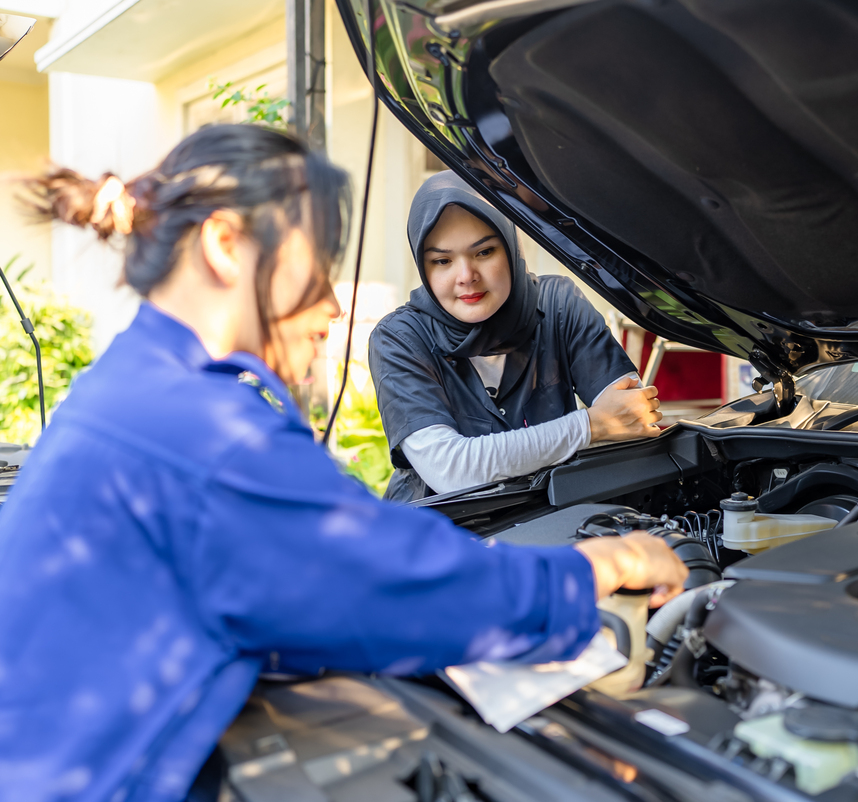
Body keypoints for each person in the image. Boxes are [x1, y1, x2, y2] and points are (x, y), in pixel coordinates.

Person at [0, 125, 687, 802]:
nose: (332, 307)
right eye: (319, 266)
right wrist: (604, 566)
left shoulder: (135, 386)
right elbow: (406, 584)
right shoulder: (202, 432)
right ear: (226, 246)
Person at [369, 172, 662, 502]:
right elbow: (450, 470)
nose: (466, 276)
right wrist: (589, 426)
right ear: (424, 268)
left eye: (484, 252)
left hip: (552, 521)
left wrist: (607, 423)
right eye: (443, 260)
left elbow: (632, 415)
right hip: (440, 537)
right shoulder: (399, 340)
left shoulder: (558, 306)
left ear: (510, 246)